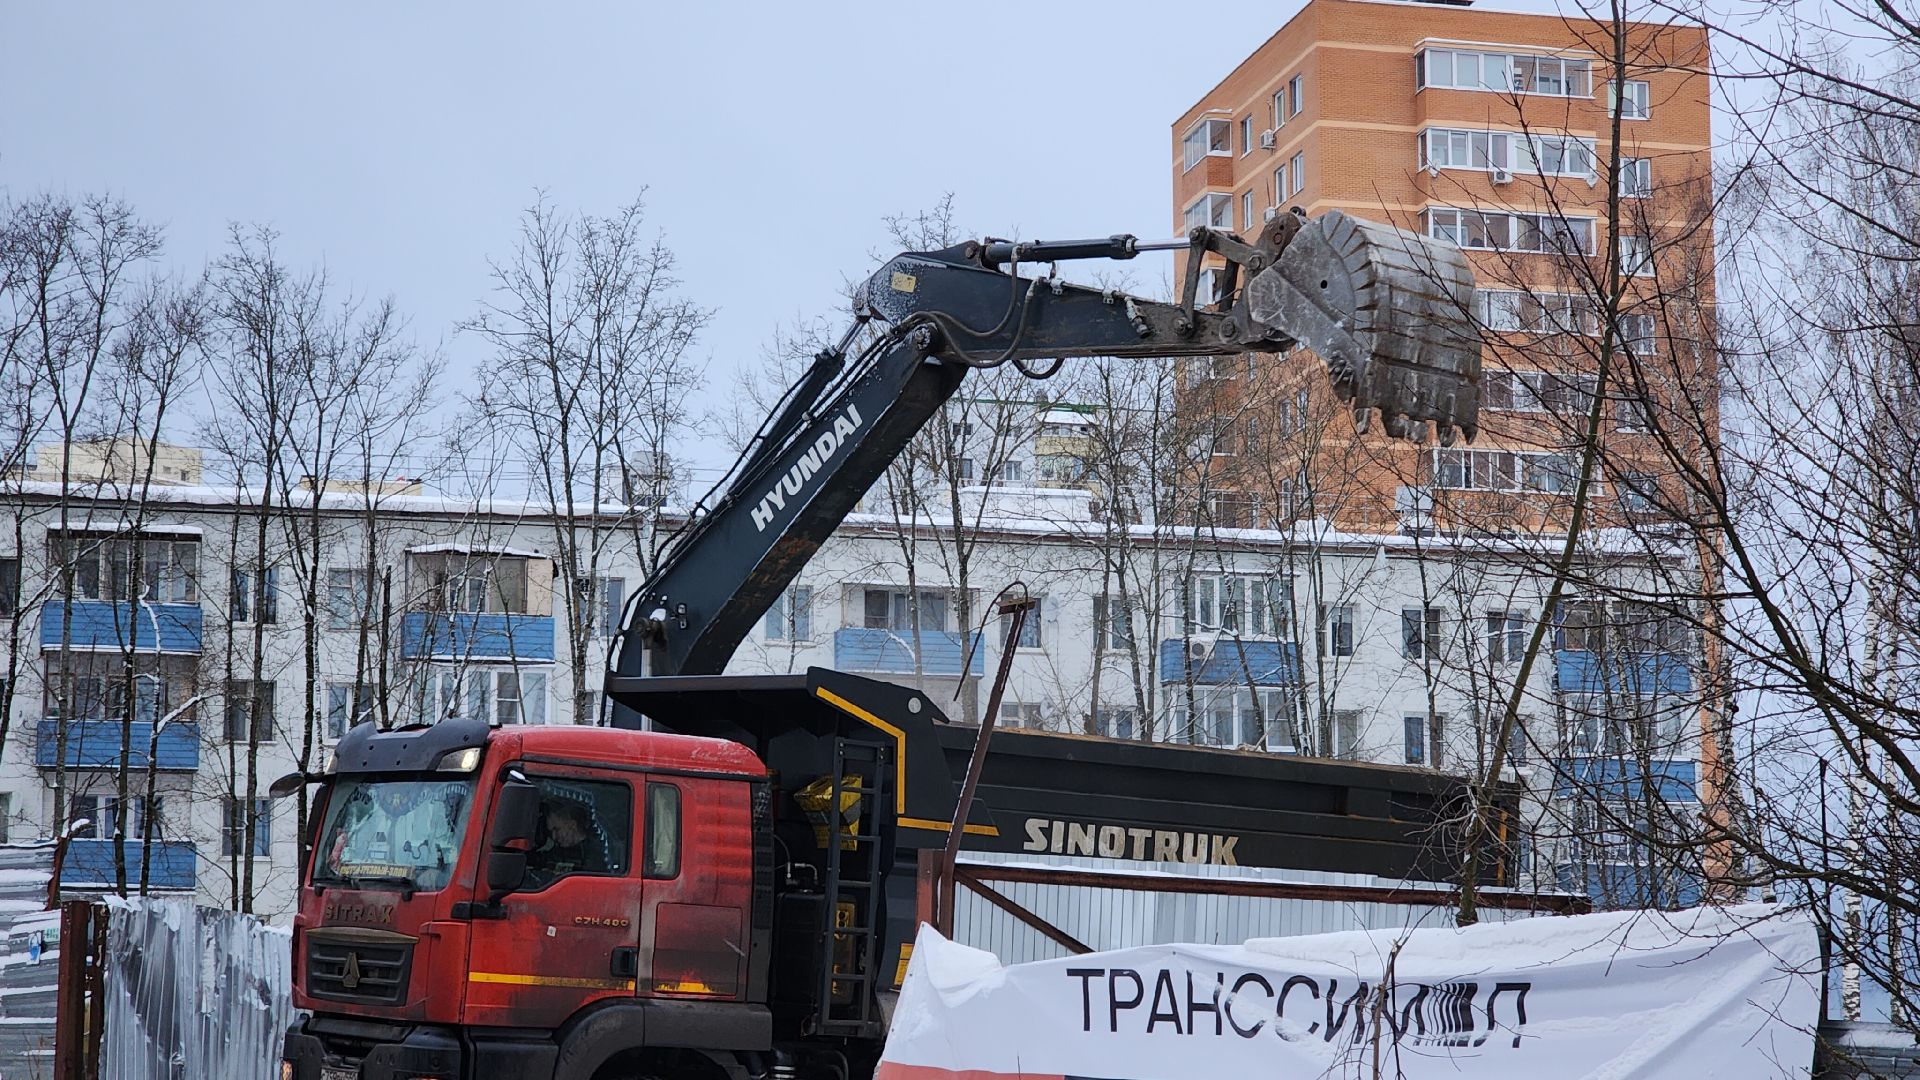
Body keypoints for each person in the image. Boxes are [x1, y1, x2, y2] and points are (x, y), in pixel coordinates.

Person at [527, 798, 604, 883]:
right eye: (551, 831)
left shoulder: (596, 857)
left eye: (556, 829)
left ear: (572, 825)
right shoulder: (557, 854)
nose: (554, 836)